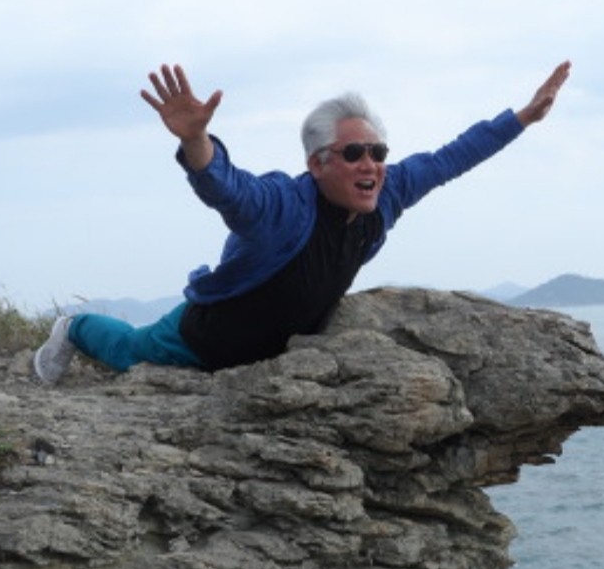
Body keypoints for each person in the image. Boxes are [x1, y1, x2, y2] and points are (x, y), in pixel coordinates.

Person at [34, 60, 571, 384]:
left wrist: (523, 117)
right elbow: (226, 186)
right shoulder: (282, 209)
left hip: (263, 362)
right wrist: (195, 139)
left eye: (378, 152)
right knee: (129, 351)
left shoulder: (385, 196)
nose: (371, 164)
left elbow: (450, 158)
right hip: (200, 342)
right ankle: (71, 328)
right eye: (354, 153)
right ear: (317, 164)